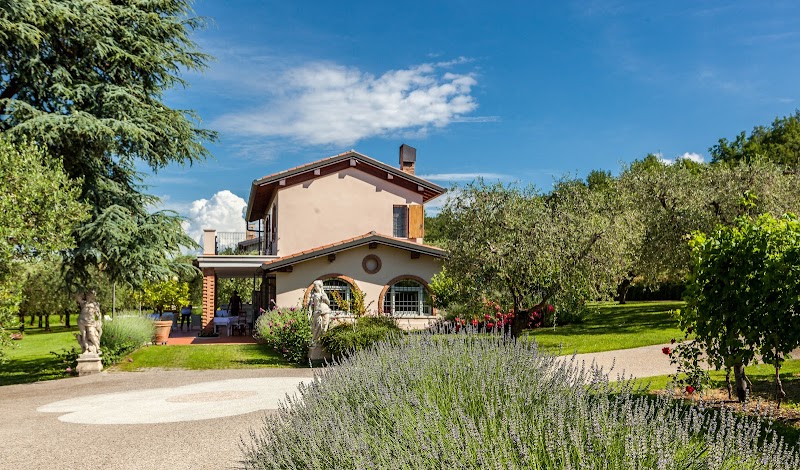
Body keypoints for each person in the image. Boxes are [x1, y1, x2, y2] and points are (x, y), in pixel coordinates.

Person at [308, 281, 331, 347]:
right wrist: (310, 312)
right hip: (317, 312)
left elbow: (328, 303)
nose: (315, 287)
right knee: (317, 327)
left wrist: (325, 299)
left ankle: (322, 341)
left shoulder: (324, 294)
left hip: (326, 311)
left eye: (316, 286)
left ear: (320, 286)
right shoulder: (314, 295)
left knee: (324, 327)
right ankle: (314, 340)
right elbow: (310, 305)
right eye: (314, 286)